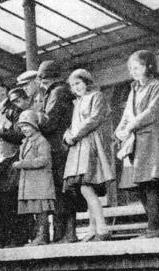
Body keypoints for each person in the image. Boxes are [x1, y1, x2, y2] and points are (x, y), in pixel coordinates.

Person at [115, 50, 159, 238]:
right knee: (139, 186)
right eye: (131, 68)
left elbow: (152, 111)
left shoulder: (158, 86)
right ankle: (152, 227)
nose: (133, 71)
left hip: (150, 141)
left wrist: (129, 126)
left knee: (150, 183)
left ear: (148, 66)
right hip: (134, 143)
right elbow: (126, 114)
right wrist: (120, 130)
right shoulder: (134, 89)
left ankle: (154, 227)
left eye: (136, 67)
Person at [63, 69, 115, 242]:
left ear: (86, 81)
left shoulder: (96, 96)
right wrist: (67, 134)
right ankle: (93, 228)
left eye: (78, 83)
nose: (75, 87)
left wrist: (75, 135)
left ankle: (102, 227)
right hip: (78, 148)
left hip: (90, 145)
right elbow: (74, 124)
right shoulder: (77, 102)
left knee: (86, 186)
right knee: (84, 186)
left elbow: (94, 119)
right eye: (72, 85)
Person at [0, 75, 28, 247]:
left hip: (10, 161)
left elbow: (20, 133)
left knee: (11, 200)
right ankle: (0, 238)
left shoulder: (13, 109)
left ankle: (16, 238)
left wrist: (2, 132)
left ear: (4, 89)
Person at [37, 60, 77, 243]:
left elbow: (48, 123)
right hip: (61, 147)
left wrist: (37, 114)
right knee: (62, 191)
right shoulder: (60, 91)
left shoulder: (57, 92)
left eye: (42, 78)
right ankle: (64, 234)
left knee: (63, 192)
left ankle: (67, 234)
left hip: (58, 148)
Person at [13, 110, 55, 246]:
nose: (24, 129)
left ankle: (42, 236)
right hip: (32, 182)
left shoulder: (41, 141)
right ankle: (39, 236)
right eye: (22, 127)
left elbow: (43, 160)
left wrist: (22, 164)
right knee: (35, 211)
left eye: (27, 126)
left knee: (41, 211)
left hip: (40, 182)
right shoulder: (25, 142)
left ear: (35, 126)